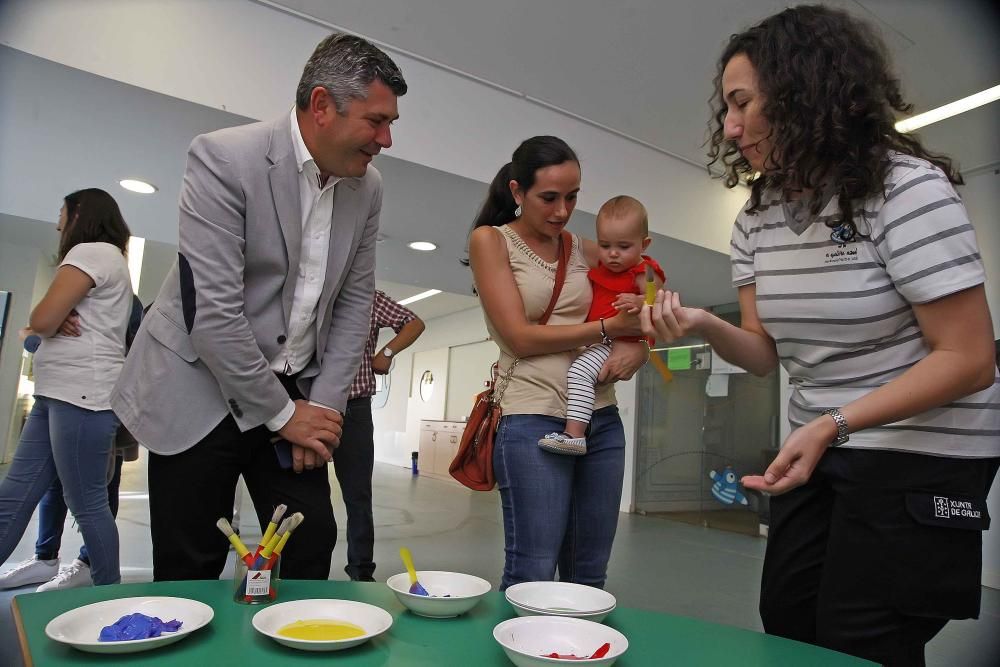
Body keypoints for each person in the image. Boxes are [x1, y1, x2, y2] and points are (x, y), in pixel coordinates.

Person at [640, 6, 999, 665]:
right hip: (823, 439)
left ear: (803, 92)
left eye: (742, 102)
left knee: (860, 635)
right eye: (726, 108)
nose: (729, 125)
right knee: (787, 613)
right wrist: (706, 325)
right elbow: (763, 353)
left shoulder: (904, 188)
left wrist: (833, 421)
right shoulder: (757, 218)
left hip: (921, 445)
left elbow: (970, 358)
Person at [110, 33, 407, 581]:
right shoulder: (225, 157)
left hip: (295, 388)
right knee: (190, 563)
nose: (386, 139)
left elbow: (353, 305)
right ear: (321, 106)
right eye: (375, 121)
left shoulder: (367, 189)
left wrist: (326, 413)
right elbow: (214, 316)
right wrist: (287, 415)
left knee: (310, 542)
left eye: (391, 122)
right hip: (196, 385)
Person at [467, 136, 648, 591]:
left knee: (589, 573)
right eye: (549, 197)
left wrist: (640, 346)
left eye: (572, 197)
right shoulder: (492, 241)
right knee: (533, 568)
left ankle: (577, 659)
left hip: (601, 418)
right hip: (532, 416)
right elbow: (519, 338)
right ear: (517, 191)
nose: (562, 211)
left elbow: (644, 291)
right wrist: (609, 331)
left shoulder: (584, 248)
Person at [0, 188, 133, 588]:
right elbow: (37, 328)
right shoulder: (107, 259)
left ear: (78, 214)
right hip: (59, 394)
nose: (58, 223)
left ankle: (107, 592)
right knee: (15, 493)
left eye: (62, 213)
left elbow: (39, 321)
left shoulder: (92, 252)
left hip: (81, 396)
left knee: (88, 503)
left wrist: (45, 320)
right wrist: (45, 323)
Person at [0, 296, 145, 592]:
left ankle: (91, 568)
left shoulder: (123, 301)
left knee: (96, 494)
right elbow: (32, 332)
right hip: (58, 397)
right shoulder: (75, 299)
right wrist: (44, 332)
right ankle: (46, 557)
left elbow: (129, 354)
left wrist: (44, 335)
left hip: (98, 403)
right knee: (49, 486)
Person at [538, 195, 663, 455]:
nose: (613, 253)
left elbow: (658, 301)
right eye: (605, 245)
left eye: (624, 246)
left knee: (579, 373)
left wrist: (640, 301)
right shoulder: (603, 269)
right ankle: (575, 432)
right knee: (581, 373)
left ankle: (574, 435)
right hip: (601, 338)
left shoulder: (644, 271)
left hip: (617, 342)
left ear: (645, 244)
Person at [335, 290, 424, 581]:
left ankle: (361, 572)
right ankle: (303, 568)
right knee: (305, 494)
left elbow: (414, 322)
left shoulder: (368, 298)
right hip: (308, 406)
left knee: (358, 495)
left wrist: (386, 353)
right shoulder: (309, 294)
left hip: (355, 407)